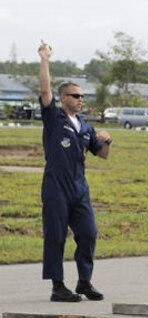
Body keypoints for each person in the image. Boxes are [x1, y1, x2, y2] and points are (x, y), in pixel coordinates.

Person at [37, 40, 112, 302]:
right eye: (76, 96)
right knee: (56, 236)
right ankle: (58, 286)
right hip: (56, 185)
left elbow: (101, 154)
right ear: (63, 98)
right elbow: (44, 89)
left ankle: (84, 282)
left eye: (82, 96)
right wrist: (45, 59)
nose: (81, 100)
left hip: (79, 188)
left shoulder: (84, 126)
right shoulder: (53, 118)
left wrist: (108, 141)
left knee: (89, 233)